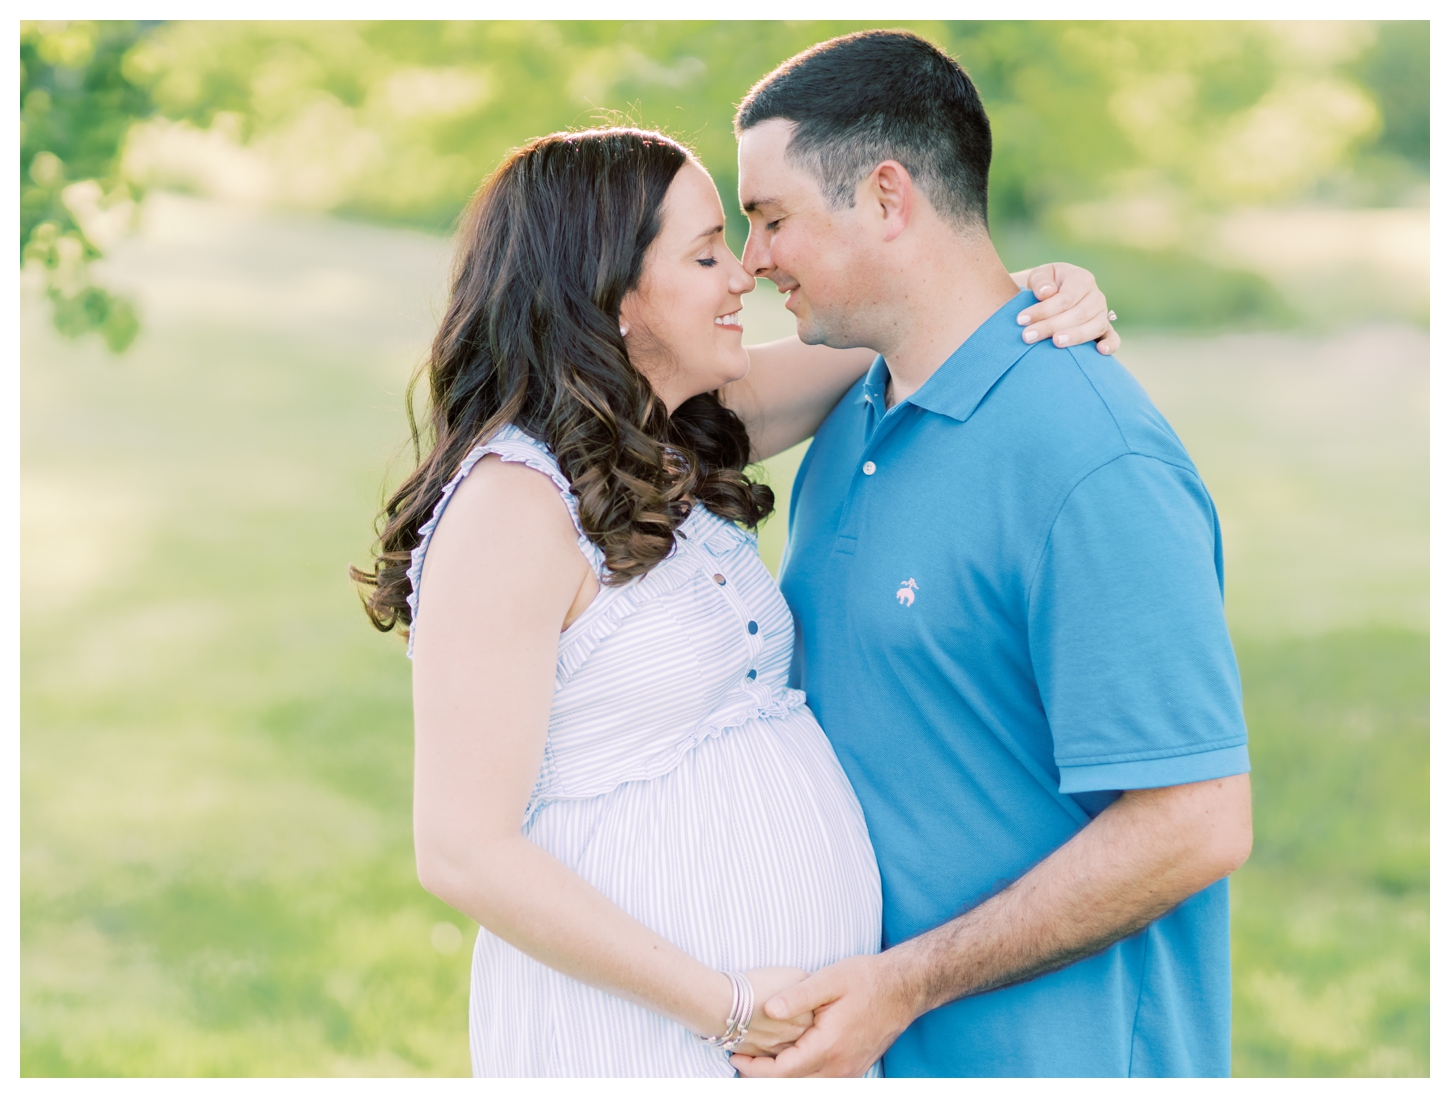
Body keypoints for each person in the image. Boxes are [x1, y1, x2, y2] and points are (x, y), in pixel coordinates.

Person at [352, 125, 1116, 1077]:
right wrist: (727, 1008)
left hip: (776, 1038)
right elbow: (463, 852)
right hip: (645, 1035)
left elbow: (908, 334)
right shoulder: (514, 503)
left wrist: (1036, 293)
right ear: (611, 292)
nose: (742, 275)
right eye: (708, 251)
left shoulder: (674, 435)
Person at [725, 30, 1254, 1079]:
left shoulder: (1091, 461)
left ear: (885, 197)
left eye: (770, 218)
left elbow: (1195, 823)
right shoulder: (859, 409)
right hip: (871, 1054)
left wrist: (905, 983)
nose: (752, 260)